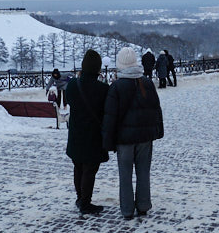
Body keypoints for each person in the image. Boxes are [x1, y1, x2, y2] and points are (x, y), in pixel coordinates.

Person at [102, 47, 164, 220]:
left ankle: (127, 210)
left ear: (120, 64)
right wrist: (157, 131)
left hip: (124, 140)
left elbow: (110, 117)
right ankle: (143, 205)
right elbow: (156, 110)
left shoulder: (116, 87)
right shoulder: (146, 83)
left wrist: (107, 142)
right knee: (144, 173)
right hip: (145, 138)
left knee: (125, 175)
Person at [63, 50, 109, 215]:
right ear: (97, 68)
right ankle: (85, 203)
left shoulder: (73, 85)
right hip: (93, 135)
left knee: (78, 167)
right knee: (90, 169)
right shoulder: (103, 89)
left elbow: (69, 101)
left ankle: (80, 198)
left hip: (76, 133)